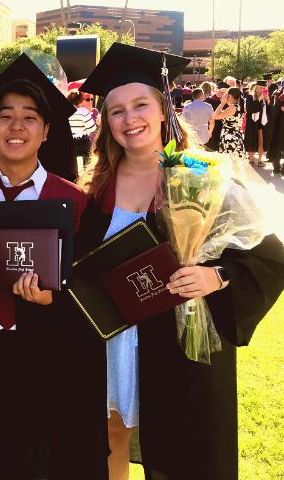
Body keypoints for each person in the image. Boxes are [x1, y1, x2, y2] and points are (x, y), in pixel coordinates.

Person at [78, 42, 284, 480]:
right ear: (105, 120)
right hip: (114, 337)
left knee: (183, 449)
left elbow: (268, 254)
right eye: (116, 110)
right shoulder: (96, 188)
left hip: (181, 337)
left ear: (163, 107)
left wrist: (217, 276)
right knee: (107, 435)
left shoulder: (200, 175)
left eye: (140, 105)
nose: (129, 119)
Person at [0, 54, 107, 480]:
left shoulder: (72, 200)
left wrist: (55, 297)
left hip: (35, 348)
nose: (17, 127)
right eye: (5, 116)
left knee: (27, 459)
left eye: (30, 117)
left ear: (47, 130)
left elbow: (84, 283)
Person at [67, 88, 98, 170]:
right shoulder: (83, 111)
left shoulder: (66, 110)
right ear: (80, 100)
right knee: (87, 163)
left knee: (71, 165)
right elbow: (92, 128)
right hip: (83, 141)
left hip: (70, 141)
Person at [245, 81, 272, 167]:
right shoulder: (249, 97)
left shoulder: (266, 97)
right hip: (252, 122)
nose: (262, 90)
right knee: (251, 139)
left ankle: (260, 160)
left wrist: (268, 101)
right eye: (260, 88)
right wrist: (259, 100)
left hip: (261, 122)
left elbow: (270, 111)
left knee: (261, 141)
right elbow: (250, 110)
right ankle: (251, 158)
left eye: (264, 88)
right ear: (256, 88)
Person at [215, 87, 246, 156]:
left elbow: (215, 116)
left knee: (230, 162)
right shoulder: (238, 106)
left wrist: (222, 103)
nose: (224, 96)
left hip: (230, 137)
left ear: (230, 96)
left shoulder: (232, 108)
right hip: (234, 136)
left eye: (226, 95)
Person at [267, 93, 284, 174]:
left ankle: (279, 167)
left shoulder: (280, 97)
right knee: (278, 146)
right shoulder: (281, 97)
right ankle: (277, 166)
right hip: (280, 127)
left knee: (278, 146)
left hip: (279, 127)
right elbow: (274, 112)